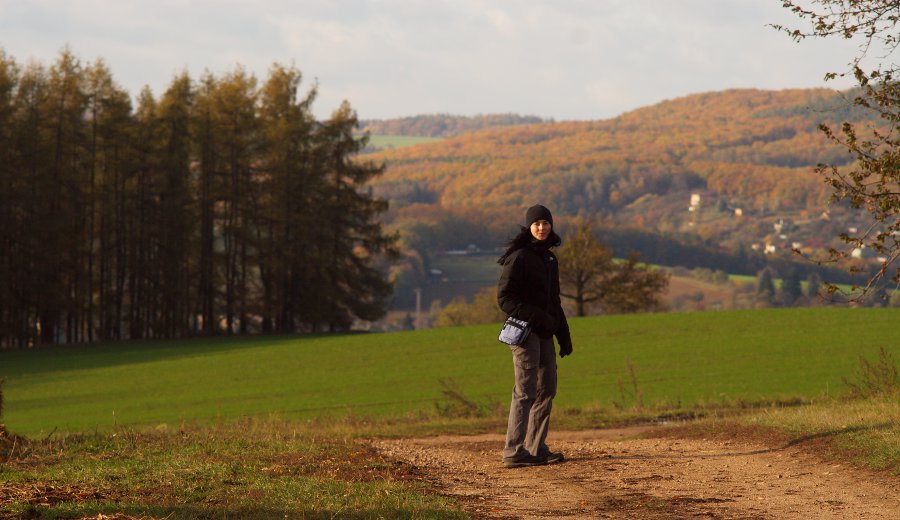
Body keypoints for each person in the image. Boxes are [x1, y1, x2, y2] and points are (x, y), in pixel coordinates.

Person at [496, 204, 573, 468]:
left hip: (545, 333)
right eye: (537, 224)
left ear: (552, 225)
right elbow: (505, 299)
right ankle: (513, 451)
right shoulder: (520, 257)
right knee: (525, 391)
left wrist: (564, 335)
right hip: (524, 333)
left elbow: (554, 301)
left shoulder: (550, 259)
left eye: (546, 223)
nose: (542, 228)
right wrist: (537, 317)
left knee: (547, 389)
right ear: (529, 226)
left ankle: (536, 447)